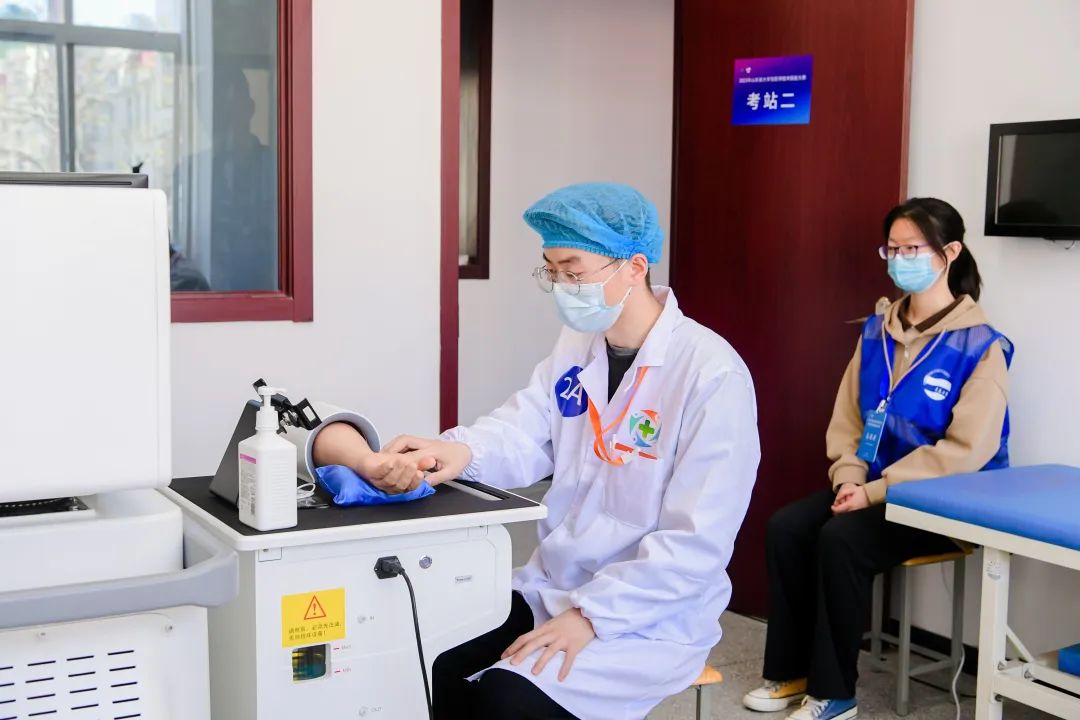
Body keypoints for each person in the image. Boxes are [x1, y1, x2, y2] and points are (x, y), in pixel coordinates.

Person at [314, 182, 760, 720]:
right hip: (555, 583)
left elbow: (697, 543)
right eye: (552, 271)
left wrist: (591, 616)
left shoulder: (710, 374)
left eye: (574, 271)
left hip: (649, 611)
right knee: (429, 659)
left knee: (506, 700)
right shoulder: (578, 346)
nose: (562, 287)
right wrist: (457, 451)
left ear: (635, 267)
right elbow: (526, 430)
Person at [743, 198, 1012, 720]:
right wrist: (849, 477)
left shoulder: (981, 346)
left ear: (950, 253)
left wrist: (872, 492)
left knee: (842, 539)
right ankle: (791, 673)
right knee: (788, 527)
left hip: (946, 502)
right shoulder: (876, 331)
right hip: (869, 488)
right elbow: (848, 418)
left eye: (914, 249)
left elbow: (966, 451)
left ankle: (835, 693)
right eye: (893, 249)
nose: (901, 259)